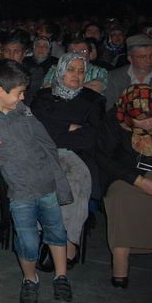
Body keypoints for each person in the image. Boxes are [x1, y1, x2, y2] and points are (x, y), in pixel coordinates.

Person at [0, 60, 73, 303]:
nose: (23, 96)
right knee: (27, 241)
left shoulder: (24, 112)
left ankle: (61, 276)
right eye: (19, 92)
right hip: (19, 190)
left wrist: (58, 180)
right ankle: (30, 278)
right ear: (0, 91)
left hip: (45, 183)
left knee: (56, 232)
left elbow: (46, 144)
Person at [31, 53, 105, 269]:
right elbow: (37, 130)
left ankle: (66, 241)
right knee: (38, 178)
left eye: (81, 71)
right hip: (43, 153)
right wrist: (69, 127)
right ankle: (48, 236)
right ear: (61, 71)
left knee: (71, 181)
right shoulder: (43, 97)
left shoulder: (94, 100)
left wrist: (55, 128)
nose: (76, 75)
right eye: (71, 70)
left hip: (77, 155)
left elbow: (90, 137)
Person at [95, 85, 152, 288]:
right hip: (124, 175)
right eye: (141, 119)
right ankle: (120, 263)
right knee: (121, 199)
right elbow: (103, 157)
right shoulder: (115, 119)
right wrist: (139, 180)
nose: (149, 123)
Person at [104, 34, 152, 110]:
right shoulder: (115, 77)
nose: (149, 60)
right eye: (142, 57)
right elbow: (110, 109)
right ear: (130, 58)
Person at [42, 39, 108, 95]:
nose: (78, 54)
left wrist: (61, 88)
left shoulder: (99, 71)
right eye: (73, 51)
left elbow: (95, 89)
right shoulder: (55, 68)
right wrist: (84, 86)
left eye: (83, 51)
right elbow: (46, 89)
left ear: (90, 54)